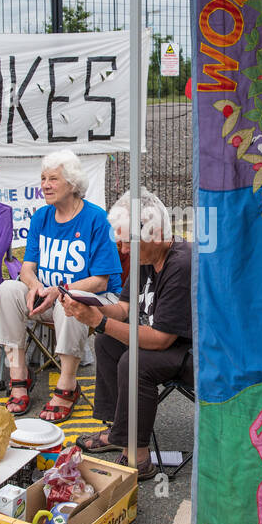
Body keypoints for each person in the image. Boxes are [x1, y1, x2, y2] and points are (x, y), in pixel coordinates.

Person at [66, 188, 191, 475]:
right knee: (107, 342)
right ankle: (118, 431)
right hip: (170, 344)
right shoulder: (145, 259)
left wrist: (98, 321)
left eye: (128, 243)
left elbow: (160, 340)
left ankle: (139, 455)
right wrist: (88, 305)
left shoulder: (181, 264)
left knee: (134, 361)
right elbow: (124, 309)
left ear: (155, 234)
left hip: (199, 353)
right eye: (120, 242)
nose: (123, 251)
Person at [0, 149, 120, 422]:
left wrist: (58, 291)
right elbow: (27, 268)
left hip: (94, 301)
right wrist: (35, 284)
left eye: (53, 179)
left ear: (72, 184)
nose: (45, 185)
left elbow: (101, 280)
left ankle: (67, 386)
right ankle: (19, 376)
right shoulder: (42, 217)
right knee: (7, 290)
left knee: (72, 299)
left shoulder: (96, 219)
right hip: (45, 297)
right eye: (43, 179)